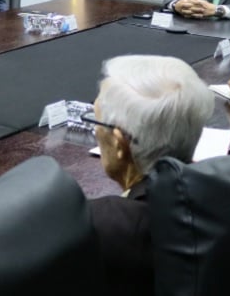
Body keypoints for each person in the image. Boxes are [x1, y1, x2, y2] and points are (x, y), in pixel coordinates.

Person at [85, 55, 213, 296]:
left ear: (120, 143)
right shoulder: (228, 191)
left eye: (96, 119)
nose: (94, 129)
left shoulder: (98, 225)